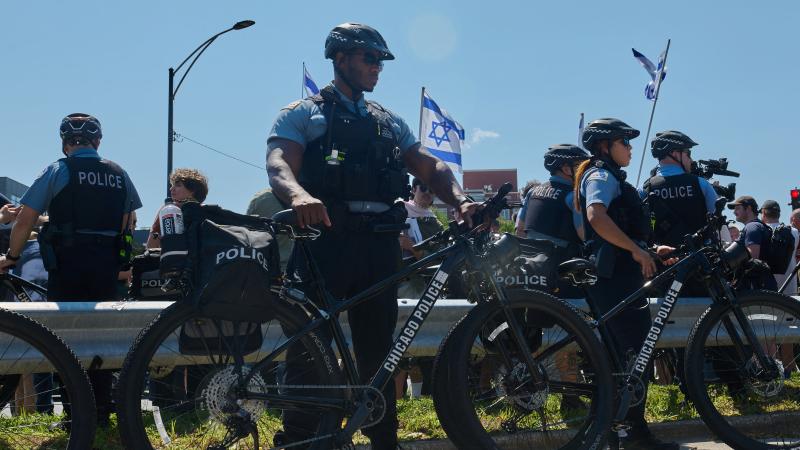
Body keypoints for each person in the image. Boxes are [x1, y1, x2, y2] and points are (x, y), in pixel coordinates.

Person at [266, 22, 478, 449]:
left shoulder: (388, 121)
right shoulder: (303, 113)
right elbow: (278, 165)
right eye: (369, 58)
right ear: (340, 59)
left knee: (378, 350)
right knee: (309, 349)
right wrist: (300, 195)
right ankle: (299, 440)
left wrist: (460, 200)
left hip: (379, 248)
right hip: (324, 243)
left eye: (381, 60)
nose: (378, 67)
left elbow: (432, 168)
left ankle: (383, 440)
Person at [0, 113, 142, 426]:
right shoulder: (120, 173)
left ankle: (77, 417)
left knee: (66, 341)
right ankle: (103, 414)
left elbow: (24, 218)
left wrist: (11, 256)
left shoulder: (58, 169)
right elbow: (128, 222)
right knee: (101, 339)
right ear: (98, 142)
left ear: (65, 143)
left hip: (68, 264)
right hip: (106, 267)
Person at [574, 118, 678, 449]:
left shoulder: (606, 174)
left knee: (625, 358)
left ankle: (620, 432)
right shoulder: (601, 174)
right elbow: (596, 217)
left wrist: (645, 249)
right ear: (606, 146)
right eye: (625, 143)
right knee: (633, 356)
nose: (631, 149)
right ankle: (634, 436)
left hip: (617, 273)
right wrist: (634, 250)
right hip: (615, 277)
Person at [643, 131, 718, 248]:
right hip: (700, 260)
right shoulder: (701, 184)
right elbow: (717, 225)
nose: (691, 160)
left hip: (661, 262)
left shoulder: (645, 189)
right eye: (688, 153)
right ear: (674, 153)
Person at [147, 168, 208, 249]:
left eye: (178, 185)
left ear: (192, 190)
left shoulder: (205, 211)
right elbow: (152, 242)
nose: (171, 189)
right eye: (172, 185)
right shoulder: (167, 209)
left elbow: (151, 246)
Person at [728, 195, 778, 290]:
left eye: (738, 208)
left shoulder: (752, 227)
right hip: (763, 285)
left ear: (749, 208)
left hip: (756, 288)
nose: (734, 212)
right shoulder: (757, 226)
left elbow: (754, 259)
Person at [760, 200, 799, 294]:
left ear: (764, 213)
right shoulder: (794, 232)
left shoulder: (760, 230)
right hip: (790, 287)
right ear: (779, 214)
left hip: (767, 289)